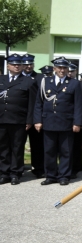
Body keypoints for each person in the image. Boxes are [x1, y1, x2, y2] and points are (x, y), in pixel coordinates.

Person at [33, 57, 82, 186]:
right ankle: (50, 175)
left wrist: (77, 123)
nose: (62, 70)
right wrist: (37, 120)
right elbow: (39, 103)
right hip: (49, 121)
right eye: (59, 67)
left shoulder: (74, 83)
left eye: (64, 68)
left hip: (66, 122)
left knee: (66, 151)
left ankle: (64, 175)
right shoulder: (45, 82)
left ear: (68, 69)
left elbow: (78, 105)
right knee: (49, 150)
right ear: (54, 69)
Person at [0, 54, 37, 185]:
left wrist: (29, 120)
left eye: (19, 64)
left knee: (17, 147)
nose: (17, 66)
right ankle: (5, 173)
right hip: (2, 120)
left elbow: (32, 103)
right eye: (14, 64)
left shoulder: (29, 81)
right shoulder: (1, 80)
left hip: (19, 120)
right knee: (3, 147)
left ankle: (16, 173)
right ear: (8, 66)